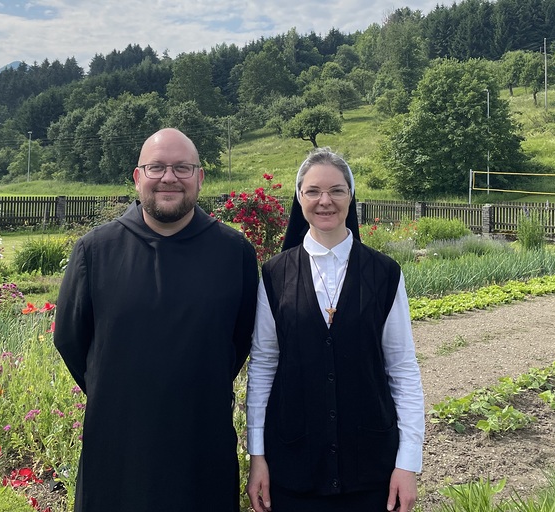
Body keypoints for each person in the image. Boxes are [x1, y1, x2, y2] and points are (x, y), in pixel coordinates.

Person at [54, 128, 258, 512]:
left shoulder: (235, 254)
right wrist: (120, 391)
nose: (169, 178)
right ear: (137, 177)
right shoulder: (95, 251)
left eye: (183, 168)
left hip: (202, 442)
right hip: (117, 444)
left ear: (200, 177)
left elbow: (240, 339)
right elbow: (70, 339)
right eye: (157, 167)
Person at [245, 147, 425, 512]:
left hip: (371, 466)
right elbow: (263, 367)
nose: (324, 201)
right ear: (299, 197)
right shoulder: (275, 274)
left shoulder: (385, 273)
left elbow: (402, 369)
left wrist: (408, 463)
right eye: (313, 191)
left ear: (351, 196)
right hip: (294, 464)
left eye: (337, 190)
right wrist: (257, 456)